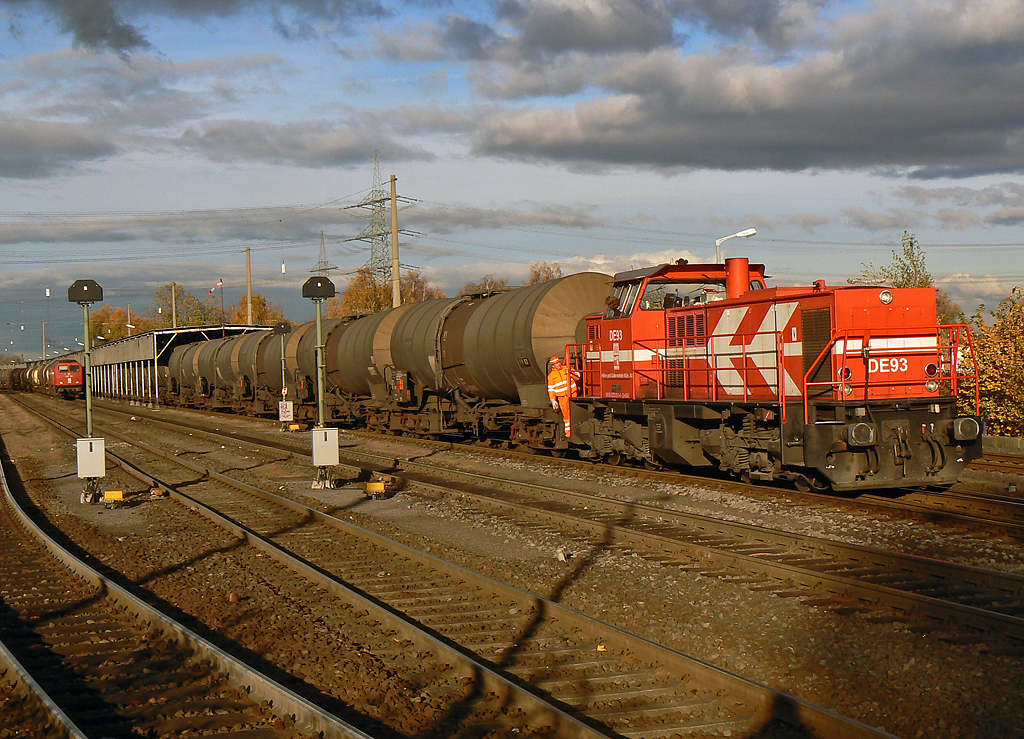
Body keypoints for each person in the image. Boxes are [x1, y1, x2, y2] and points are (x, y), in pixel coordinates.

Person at [547, 355, 578, 438]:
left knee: (574, 414)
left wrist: (570, 373)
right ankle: (568, 433)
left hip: (572, 394)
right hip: (562, 398)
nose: (559, 364)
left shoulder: (567, 368)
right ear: (553, 365)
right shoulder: (551, 376)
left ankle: (576, 431)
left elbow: (578, 376)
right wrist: (553, 400)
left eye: (559, 362)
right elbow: (551, 389)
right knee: (566, 416)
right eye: (556, 363)